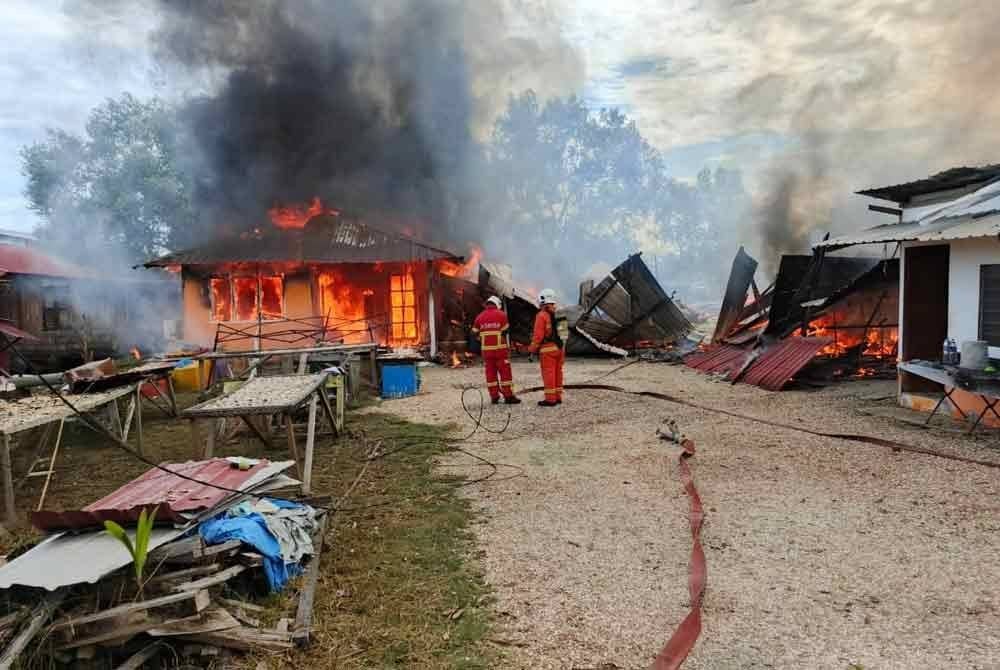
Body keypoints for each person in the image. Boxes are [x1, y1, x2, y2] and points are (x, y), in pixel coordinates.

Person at [471, 296, 521, 404]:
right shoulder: (502, 315)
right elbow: (506, 331)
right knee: (505, 373)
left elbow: (473, 333)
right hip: (500, 350)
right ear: (497, 304)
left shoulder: (480, 316)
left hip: (486, 351)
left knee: (490, 373)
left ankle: (494, 397)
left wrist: (482, 338)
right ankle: (508, 396)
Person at [529, 288, 564, 407]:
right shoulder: (560, 314)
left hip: (547, 350)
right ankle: (558, 397)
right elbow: (564, 336)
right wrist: (563, 351)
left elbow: (538, 336)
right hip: (560, 349)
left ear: (542, 300)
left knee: (549, 374)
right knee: (558, 373)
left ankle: (550, 399)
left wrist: (532, 349)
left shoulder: (541, 315)